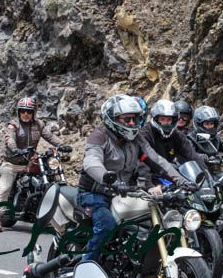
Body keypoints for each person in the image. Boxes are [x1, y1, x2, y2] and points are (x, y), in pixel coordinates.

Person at [77, 94, 185, 262]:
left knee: (150, 221)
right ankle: (84, 268)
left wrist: (180, 180)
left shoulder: (137, 139)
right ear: (112, 119)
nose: (132, 124)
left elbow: (156, 160)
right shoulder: (99, 136)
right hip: (95, 193)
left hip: (124, 193)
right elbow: (91, 161)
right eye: (127, 120)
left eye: (135, 119)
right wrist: (106, 177)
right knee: (107, 225)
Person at [0, 95, 65, 232]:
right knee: (5, 188)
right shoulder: (13, 125)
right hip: (12, 163)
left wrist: (63, 145)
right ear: (19, 112)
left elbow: (50, 136)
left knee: (49, 178)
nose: (26, 114)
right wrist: (15, 149)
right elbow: (9, 138)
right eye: (23, 111)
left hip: (30, 161)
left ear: (33, 112)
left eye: (29, 111)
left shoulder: (39, 124)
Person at [145, 98, 208, 169]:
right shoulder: (147, 133)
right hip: (150, 172)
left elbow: (191, 153)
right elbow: (145, 159)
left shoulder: (178, 135)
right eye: (162, 119)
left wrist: (206, 173)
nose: (166, 123)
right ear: (155, 119)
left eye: (169, 119)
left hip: (172, 172)